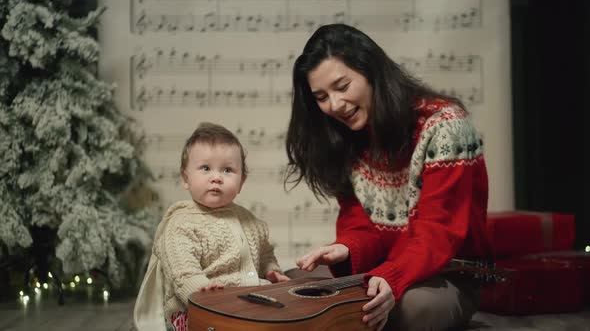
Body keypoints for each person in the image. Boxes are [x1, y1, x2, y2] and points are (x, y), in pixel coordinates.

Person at [285, 24, 490, 331]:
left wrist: (392, 277)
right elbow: (361, 226)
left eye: (342, 87)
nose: (335, 105)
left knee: (413, 310)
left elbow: (438, 231)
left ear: (371, 71)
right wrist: (346, 248)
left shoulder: (446, 123)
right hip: (384, 270)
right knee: (293, 284)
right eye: (321, 96)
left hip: (449, 275)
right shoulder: (346, 136)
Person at [134, 122, 289, 331]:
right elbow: (182, 274)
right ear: (186, 178)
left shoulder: (249, 220)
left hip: (246, 301)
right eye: (205, 168)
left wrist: (271, 270)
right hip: (197, 308)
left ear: (242, 182)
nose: (216, 177)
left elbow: (265, 252)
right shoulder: (181, 223)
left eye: (227, 170)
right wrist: (202, 291)